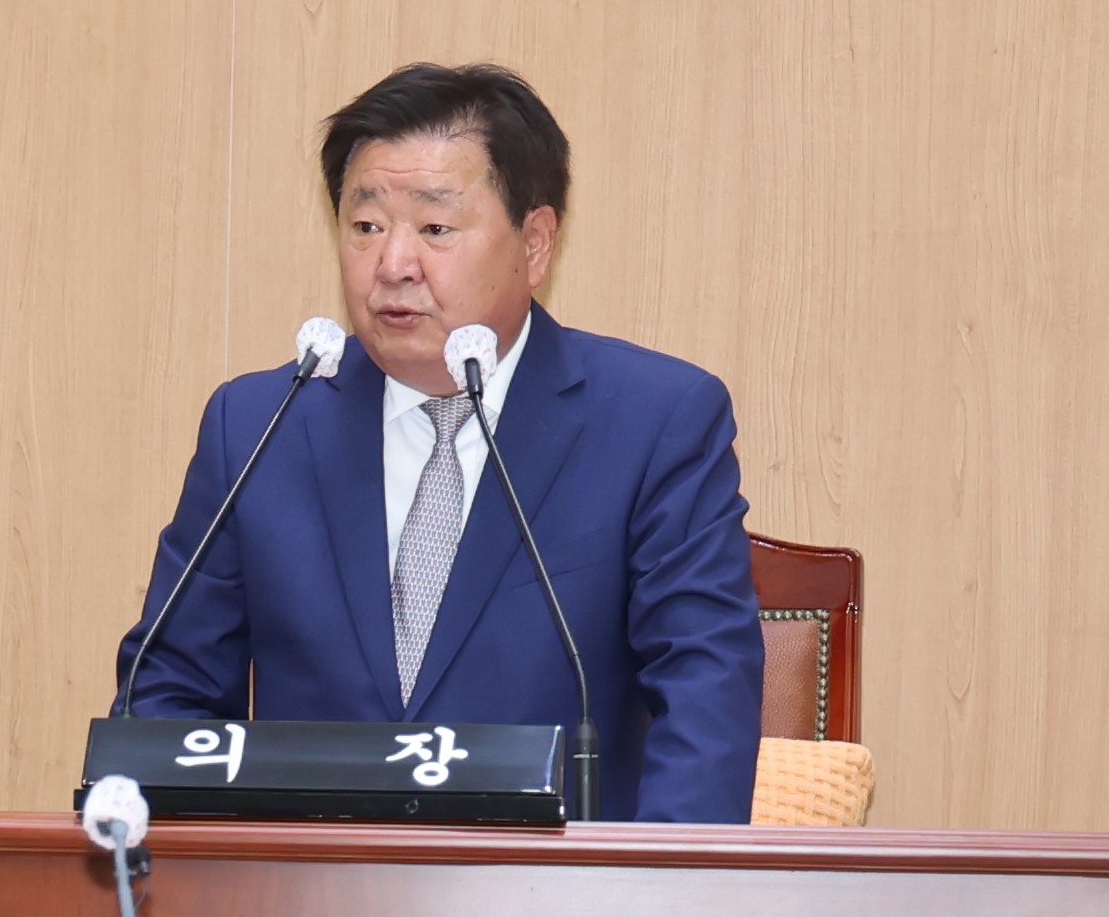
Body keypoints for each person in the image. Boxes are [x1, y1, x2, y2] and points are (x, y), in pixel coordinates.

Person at [118, 62, 765, 828]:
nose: (393, 264)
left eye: (435, 229)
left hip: (557, 892)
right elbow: (168, 693)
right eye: (366, 227)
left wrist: (651, 889)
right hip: (311, 893)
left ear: (535, 243)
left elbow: (705, 693)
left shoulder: (654, 422)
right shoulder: (259, 426)